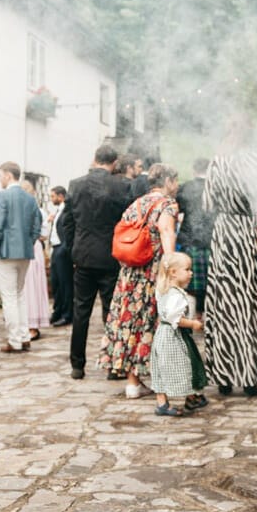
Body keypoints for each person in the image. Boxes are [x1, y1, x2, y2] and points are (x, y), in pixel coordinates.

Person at [204, 121, 257, 396]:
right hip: (250, 236)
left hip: (225, 235)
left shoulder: (217, 162)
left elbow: (208, 204)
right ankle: (250, 377)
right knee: (252, 304)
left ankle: (224, 378)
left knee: (224, 304)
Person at [100, 163, 180, 397]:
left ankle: (133, 383)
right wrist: (171, 269)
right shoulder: (166, 204)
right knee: (154, 324)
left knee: (130, 324)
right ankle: (161, 382)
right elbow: (166, 232)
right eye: (175, 181)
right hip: (152, 274)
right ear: (167, 181)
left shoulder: (136, 203)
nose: (176, 186)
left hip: (130, 274)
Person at [67, 144, 133, 380]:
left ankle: (77, 365)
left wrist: (72, 250)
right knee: (112, 312)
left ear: (95, 159)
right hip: (111, 256)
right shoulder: (122, 186)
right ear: (114, 163)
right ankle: (114, 364)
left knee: (80, 311)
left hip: (83, 256)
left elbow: (67, 222)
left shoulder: (75, 184)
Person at [150, 253, 205, 417]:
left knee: (162, 368)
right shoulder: (176, 295)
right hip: (172, 336)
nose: (191, 273)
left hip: (162, 334)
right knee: (183, 366)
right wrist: (193, 324)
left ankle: (168, 401)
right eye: (187, 269)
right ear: (173, 272)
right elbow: (176, 318)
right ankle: (190, 396)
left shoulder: (164, 290)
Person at [0, 162, 38, 354]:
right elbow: (36, 227)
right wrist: (29, 243)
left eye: (0, 175)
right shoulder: (30, 198)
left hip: (5, 251)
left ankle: (15, 340)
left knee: (9, 297)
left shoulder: (1, 196)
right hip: (25, 252)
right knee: (19, 295)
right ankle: (24, 336)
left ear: (8, 175)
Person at [176, 158, 215, 317]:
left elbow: (178, 211)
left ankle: (191, 322)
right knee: (211, 285)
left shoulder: (185, 187)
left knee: (189, 286)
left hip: (189, 240)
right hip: (212, 241)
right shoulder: (215, 187)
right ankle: (209, 323)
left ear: (194, 169)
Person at [18, 175, 50, 341]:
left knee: (29, 285)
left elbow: (42, 233)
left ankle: (31, 324)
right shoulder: (38, 209)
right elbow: (44, 234)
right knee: (27, 286)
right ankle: (27, 324)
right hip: (31, 246)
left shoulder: (34, 210)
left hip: (30, 247)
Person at [47, 186, 73, 327]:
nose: (51, 200)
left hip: (62, 250)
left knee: (65, 284)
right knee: (56, 283)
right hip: (55, 249)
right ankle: (57, 311)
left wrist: (64, 248)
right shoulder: (57, 210)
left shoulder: (67, 209)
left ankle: (67, 314)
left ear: (61, 196)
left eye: (53, 196)